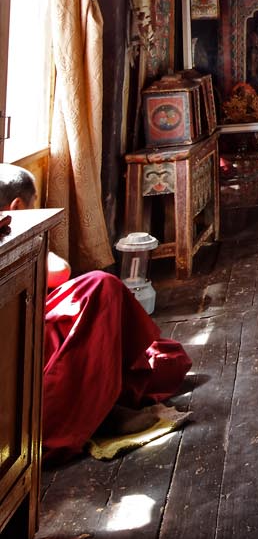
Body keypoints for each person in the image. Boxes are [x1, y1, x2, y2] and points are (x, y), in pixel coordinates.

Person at [0, 166, 194, 461]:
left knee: (166, 356)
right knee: (100, 287)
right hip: (19, 339)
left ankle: (103, 399)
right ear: (17, 207)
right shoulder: (11, 225)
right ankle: (97, 409)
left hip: (24, 325)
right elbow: (58, 271)